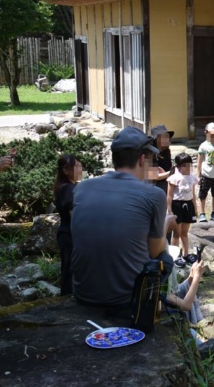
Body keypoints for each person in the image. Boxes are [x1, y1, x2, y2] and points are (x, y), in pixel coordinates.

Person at [70, 126, 167, 307]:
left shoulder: (81, 188)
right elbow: (153, 251)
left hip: (82, 294)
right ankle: (159, 307)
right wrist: (165, 226)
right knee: (166, 257)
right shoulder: (154, 194)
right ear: (141, 160)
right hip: (126, 300)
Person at [53, 154, 82, 296]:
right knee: (70, 270)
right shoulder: (68, 189)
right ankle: (67, 300)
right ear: (66, 170)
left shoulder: (66, 187)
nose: (80, 168)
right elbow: (74, 217)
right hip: (70, 234)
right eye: (77, 166)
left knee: (69, 268)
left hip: (67, 233)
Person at [167, 153, 199, 268]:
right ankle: (174, 256)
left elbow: (193, 194)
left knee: (185, 232)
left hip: (188, 205)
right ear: (179, 166)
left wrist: (195, 208)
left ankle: (186, 254)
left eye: (189, 165)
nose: (188, 168)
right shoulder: (174, 178)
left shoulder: (192, 177)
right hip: (177, 206)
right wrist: (170, 210)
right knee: (176, 233)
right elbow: (169, 195)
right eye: (185, 165)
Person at [196, 122, 214, 222]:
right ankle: (202, 213)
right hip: (206, 173)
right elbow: (199, 161)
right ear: (206, 133)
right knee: (203, 194)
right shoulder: (203, 146)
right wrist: (198, 175)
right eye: (211, 134)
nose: (213, 137)